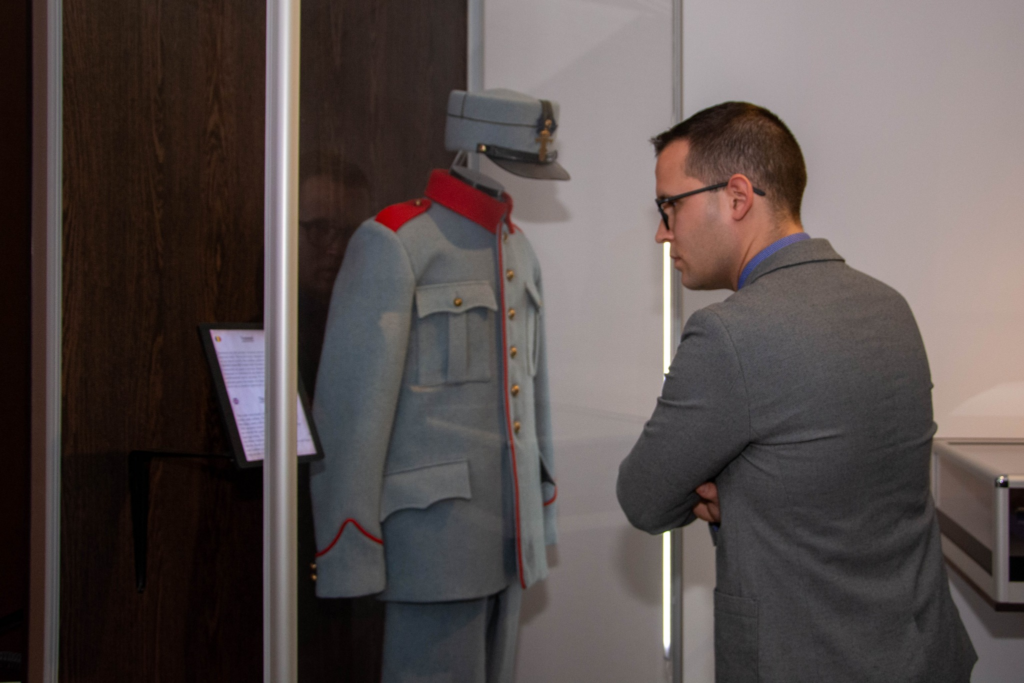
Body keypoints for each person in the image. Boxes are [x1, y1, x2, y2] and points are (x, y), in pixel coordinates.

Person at [616, 102, 976, 682]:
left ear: (737, 196)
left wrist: (737, 497)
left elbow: (644, 497)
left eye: (669, 205)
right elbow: (848, 484)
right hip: (922, 653)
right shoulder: (890, 306)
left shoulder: (730, 334)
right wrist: (755, 497)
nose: (662, 231)